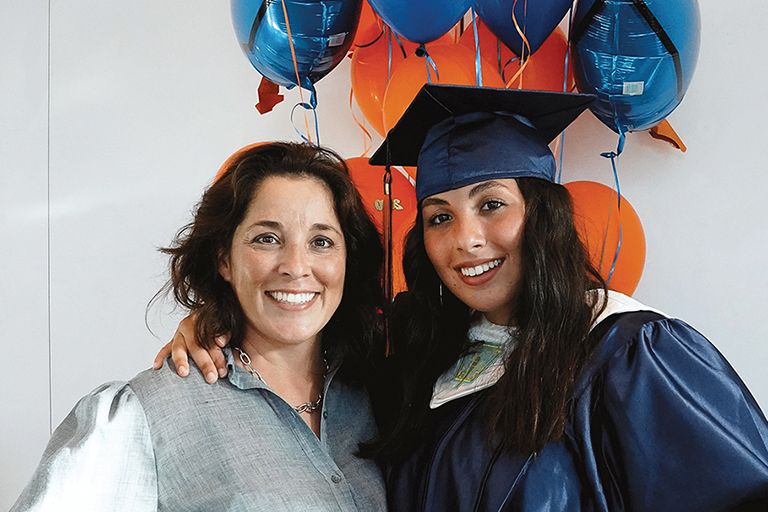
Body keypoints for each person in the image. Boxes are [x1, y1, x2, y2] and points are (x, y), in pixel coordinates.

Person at [159, 85, 768, 511]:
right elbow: (297, 340)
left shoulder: (630, 354)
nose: (466, 240)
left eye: (493, 204)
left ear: (544, 215)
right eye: (438, 217)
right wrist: (217, 320)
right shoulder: (424, 366)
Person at [12, 142, 387, 512]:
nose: (296, 266)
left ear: (347, 260)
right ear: (224, 259)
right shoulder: (148, 414)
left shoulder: (382, 390)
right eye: (267, 239)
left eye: (321, 242)